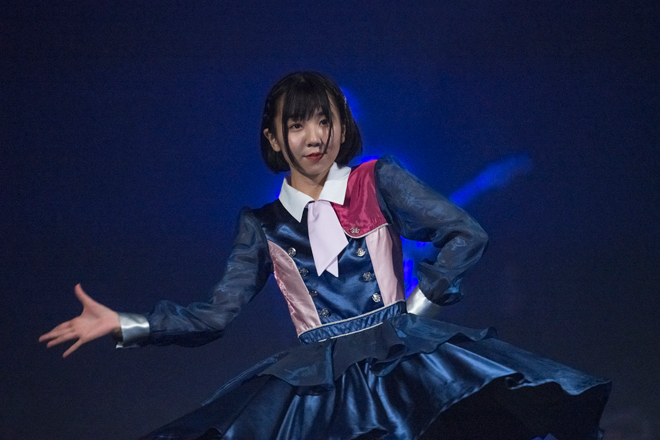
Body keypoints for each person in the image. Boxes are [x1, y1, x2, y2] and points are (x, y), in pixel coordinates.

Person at [40, 72, 610, 440]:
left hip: (403, 363)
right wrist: (127, 323)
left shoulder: (378, 180)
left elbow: (466, 233)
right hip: (318, 387)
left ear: (342, 127)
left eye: (324, 121)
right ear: (274, 138)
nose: (314, 136)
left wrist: (416, 313)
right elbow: (214, 315)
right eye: (297, 125)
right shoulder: (262, 224)